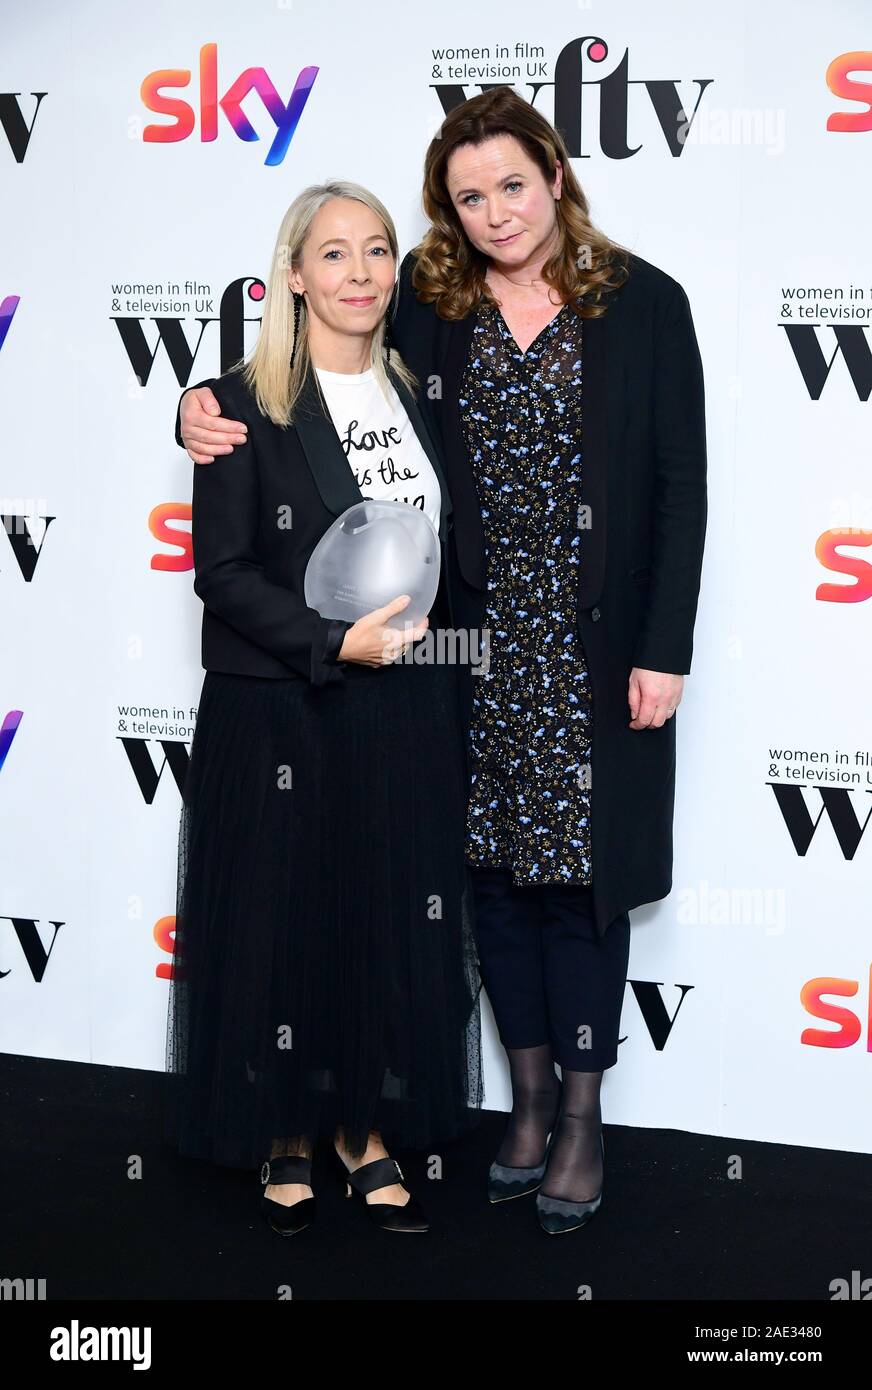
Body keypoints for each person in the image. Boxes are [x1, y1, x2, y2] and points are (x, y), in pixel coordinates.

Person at [175, 87, 707, 1235]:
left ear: (554, 178)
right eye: (468, 196)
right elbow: (313, 363)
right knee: (493, 889)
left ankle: (578, 1118)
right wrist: (194, 403)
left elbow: (678, 485)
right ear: (450, 215)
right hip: (458, 652)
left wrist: (664, 648)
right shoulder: (433, 299)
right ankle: (517, 1110)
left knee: (581, 891)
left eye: (511, 183)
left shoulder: (645, 305)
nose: (494, 210)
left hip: (591, 655)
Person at [165, 179, 483, 1238]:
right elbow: (223, 570)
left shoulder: (417, 384)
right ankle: (284, 1133)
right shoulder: (238, 402)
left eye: (377, 251)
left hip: (404, 709)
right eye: (334, 254)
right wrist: (327, 641)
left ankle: (362, 1128)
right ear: (292, 274)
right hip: (285, 710)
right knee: (281, 922)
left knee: (379, 918)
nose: (359, 273)